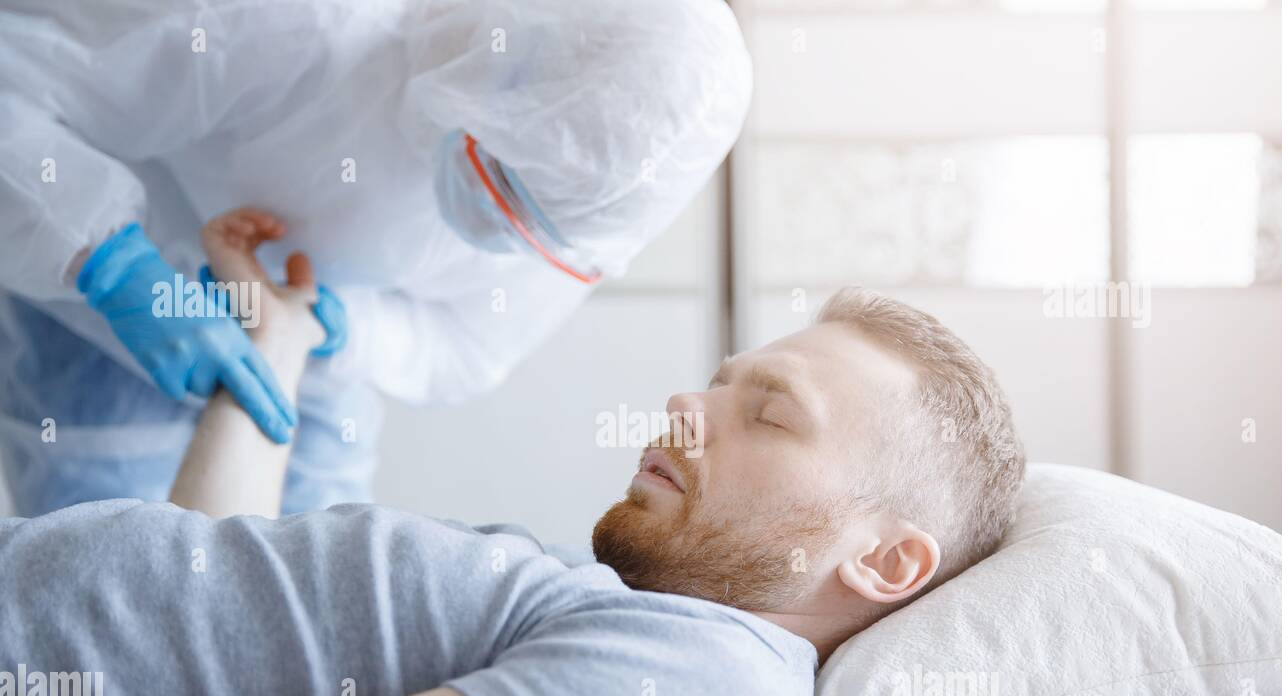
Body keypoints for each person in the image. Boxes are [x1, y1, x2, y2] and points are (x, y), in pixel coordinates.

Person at [0, 213, 1025, 696]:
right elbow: (205, 588)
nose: (686, 400)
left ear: (886, 559)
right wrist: (276, 346)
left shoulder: (701, 695)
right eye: (717, 379)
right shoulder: (615, 611)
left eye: (768, 412)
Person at [0, 0, 752, 516]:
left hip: (325, 383)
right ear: (505, 49)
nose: (494, 226)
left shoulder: (594, 202)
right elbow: (16, 88)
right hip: (90, 333)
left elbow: (466, 346)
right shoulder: (297, 28)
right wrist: (114, 266)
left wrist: (340, 328)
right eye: (500, 180)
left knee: (303, 630)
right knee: (111, 610)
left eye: (528, 225)